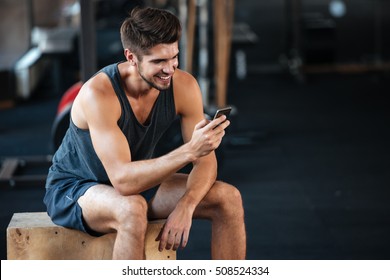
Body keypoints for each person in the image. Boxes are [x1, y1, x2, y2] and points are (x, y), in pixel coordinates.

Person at [44, 6, 246, 260]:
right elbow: (123, 182)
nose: (169, 69)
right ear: (131, 57)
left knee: (228, 198)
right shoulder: (99, 94)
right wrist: (189, 151)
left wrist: (187, 204)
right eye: (158, 61)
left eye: (174, 57)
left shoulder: (183, 86)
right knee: (132, 208)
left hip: (139, 180)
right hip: (77, 187)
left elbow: (205, 162)